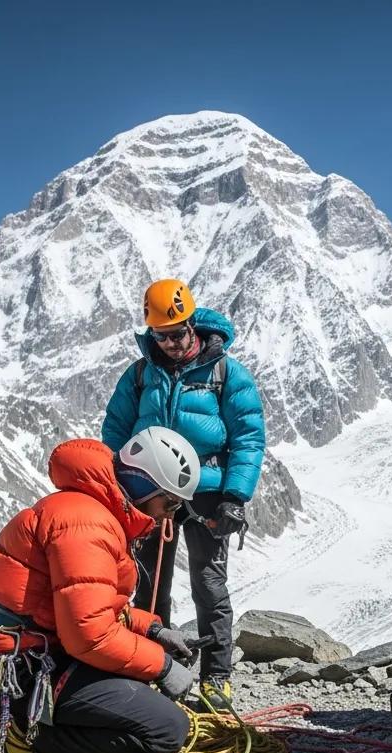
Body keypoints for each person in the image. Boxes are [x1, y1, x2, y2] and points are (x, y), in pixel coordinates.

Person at [0, 429, 201, 753]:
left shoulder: (91, 511)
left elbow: (91, 608)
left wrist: (153, 630)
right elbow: (89, 635)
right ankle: (22, 732)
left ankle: (35, 728)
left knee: (139, 694)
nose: (169, 517)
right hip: (25, 668)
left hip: (26, 655)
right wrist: (162, 667)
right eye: (169, 504)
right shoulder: (87, 523)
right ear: (144, 489)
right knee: (166, 730)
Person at [102, 280, 265, 711]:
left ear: (193, 325)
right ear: (151, 334)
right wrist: (122, 482)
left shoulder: (226, 373)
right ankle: (155, 668)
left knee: (209, 585)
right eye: (162, 336)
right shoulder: (140, 374)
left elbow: (248, 437)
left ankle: (216, 678)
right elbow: (116, 431)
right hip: (151, 493)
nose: (172, 343)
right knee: (150, 586)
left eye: (178, 333)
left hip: (208, 491)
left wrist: (235, 495)